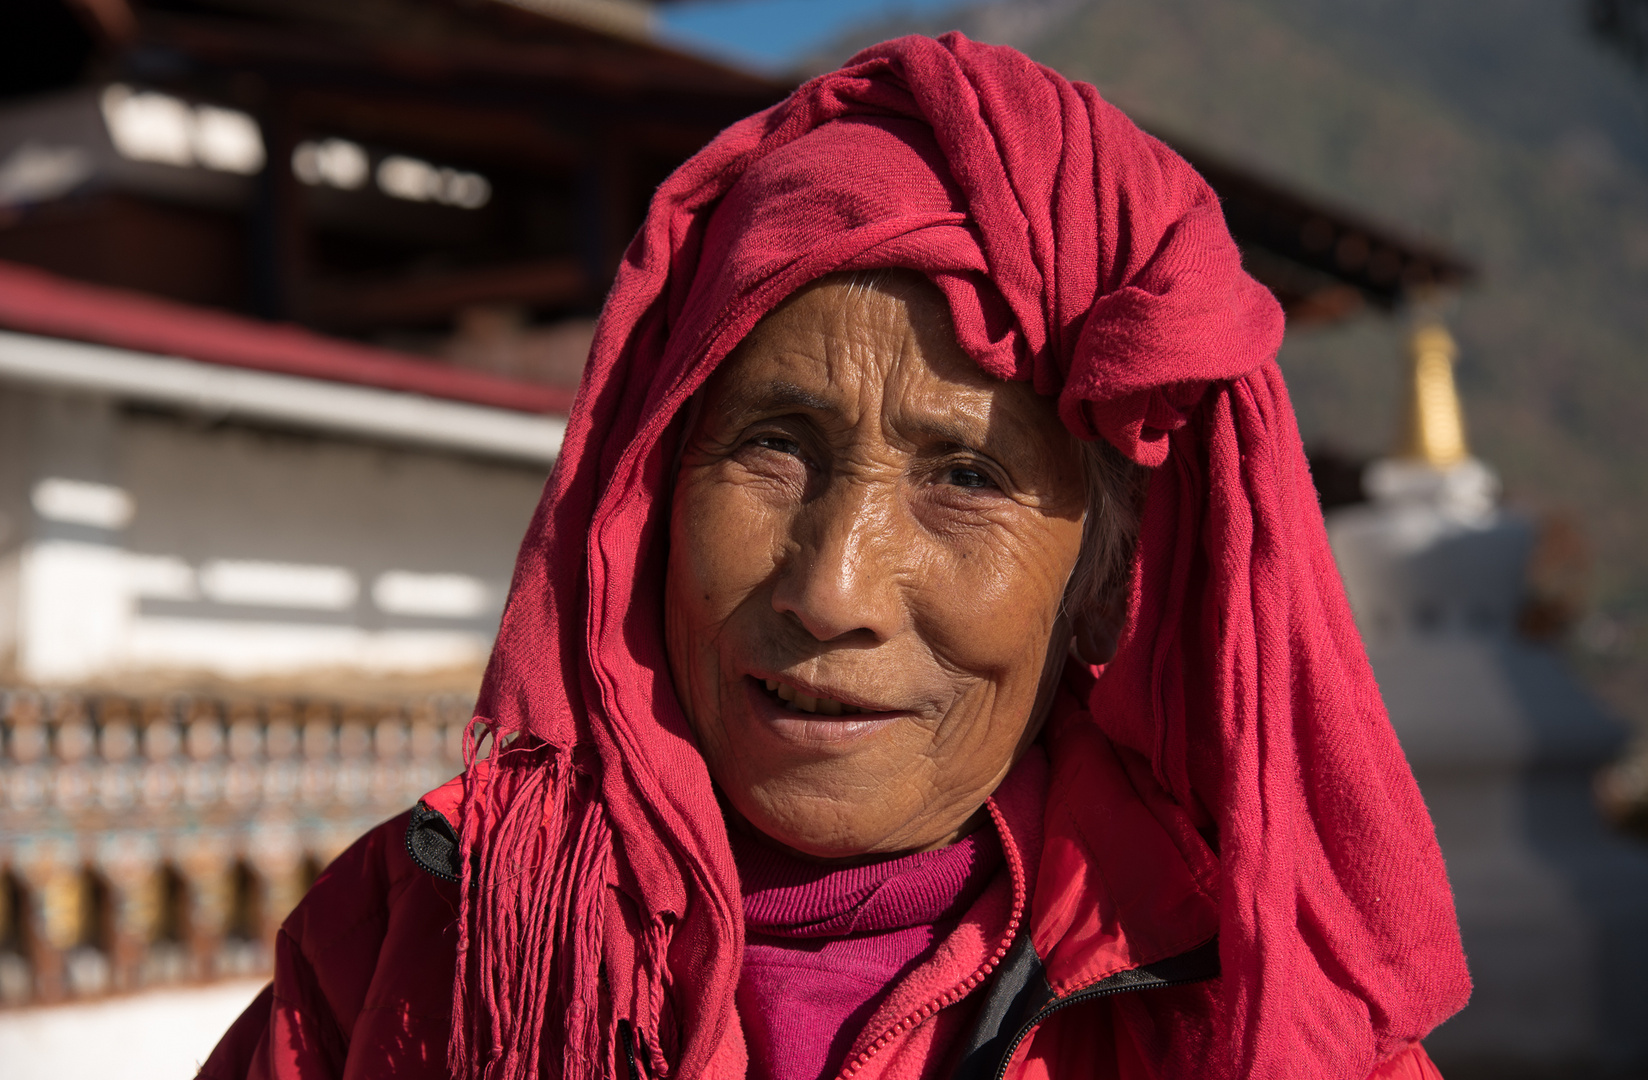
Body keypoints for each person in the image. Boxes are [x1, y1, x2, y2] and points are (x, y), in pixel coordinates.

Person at [201, 33, 1469, 1080]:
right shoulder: (411, 946)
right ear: (646, 492)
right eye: (772, 445)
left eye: (966, 476)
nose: (830, 591)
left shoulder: (1232, 1015)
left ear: (1099, 592)